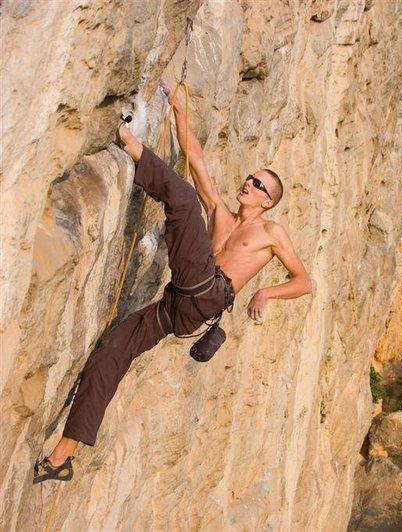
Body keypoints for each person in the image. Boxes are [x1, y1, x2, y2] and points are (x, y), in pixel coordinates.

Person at [34, 81, 312, 484]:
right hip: (177, 304)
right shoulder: (221, 213)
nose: (248, 184)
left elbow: (304, 281)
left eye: (258, 185)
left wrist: (267, 292)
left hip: (208, 294)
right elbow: (195, 158)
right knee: (110, 352)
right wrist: (181, 112)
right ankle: (62, 457)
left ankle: (124, 139)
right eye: (250, 177)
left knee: (181, 199)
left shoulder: (272, 232)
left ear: (268, 201)